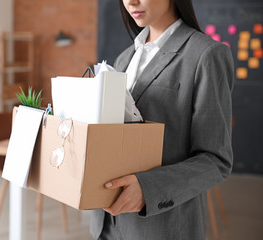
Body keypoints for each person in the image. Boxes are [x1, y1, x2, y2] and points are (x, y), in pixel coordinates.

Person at [90, 0, 234, 239]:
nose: (131, 2)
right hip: (107, 225)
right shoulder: (124, 59)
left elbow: (216, 160)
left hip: (162, 227)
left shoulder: (206, 55)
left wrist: (148, 190)